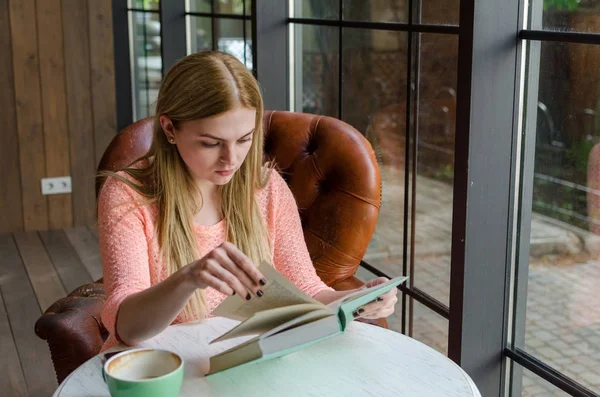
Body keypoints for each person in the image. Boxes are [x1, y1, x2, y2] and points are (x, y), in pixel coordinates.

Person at [98, 51, 398, 351]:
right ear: (170, 129)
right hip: (155, 369)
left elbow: (308, 291)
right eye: (211, 143)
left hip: (238, 362)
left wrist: (357, 302)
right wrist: (187, 279)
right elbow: (127, 329)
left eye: (245, 139)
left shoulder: (265, 188)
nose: (231, 159)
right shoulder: (128, 195)